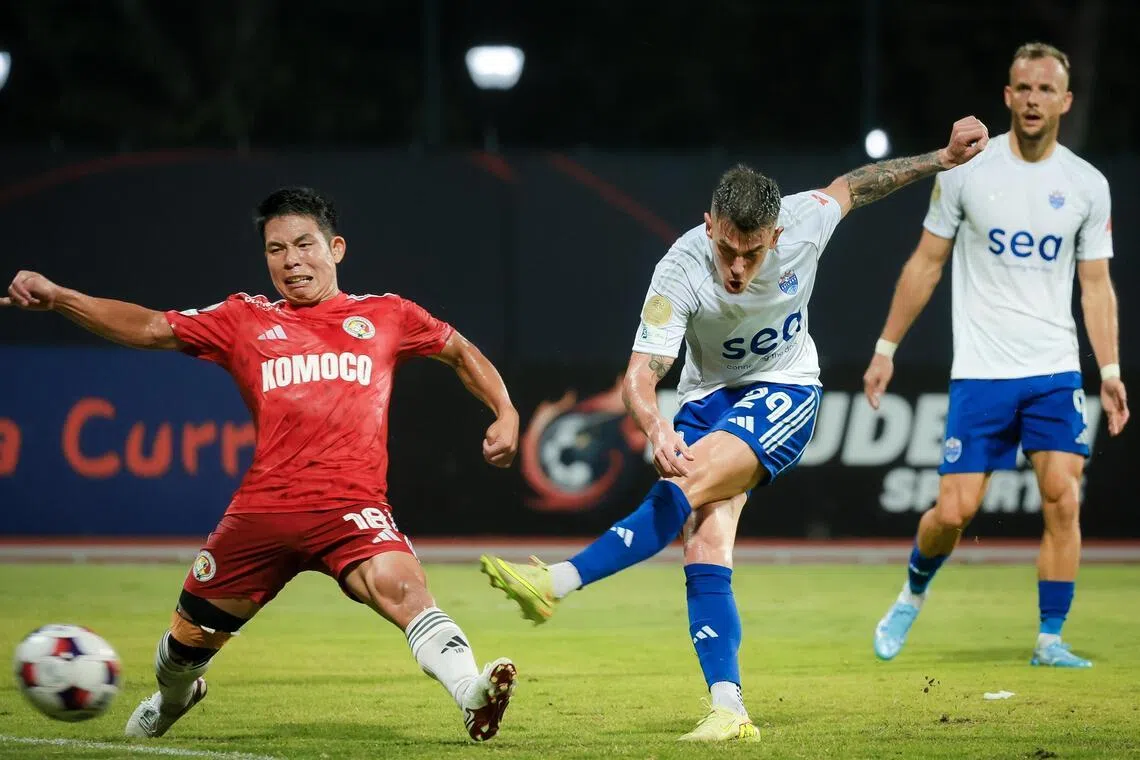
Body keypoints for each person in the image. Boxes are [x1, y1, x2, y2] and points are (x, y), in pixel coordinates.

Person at [479, 116, 990, 742]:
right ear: (708, 225)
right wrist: (654, 422)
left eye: (754, 252)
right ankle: (730, 708)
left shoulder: (806, 221)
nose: (738, 268)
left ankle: (555, 581)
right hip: (704, 397)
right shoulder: (679, 270)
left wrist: (940, 157)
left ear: (778, 233)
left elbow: (856, 184)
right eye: (727, 249)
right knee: (705, 545)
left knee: (689, 484)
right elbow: (640, 374)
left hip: (785, 387)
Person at [1, 187, 521, 742]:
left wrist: (506, 410)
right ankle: (175, 698)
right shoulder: (242, 319)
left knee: (406, 590)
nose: (291, 260)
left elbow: (461, 351)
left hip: (352, 509)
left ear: (336, 248)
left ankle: (472, 692)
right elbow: (151, 326)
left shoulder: (386, 315)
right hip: (262, 515)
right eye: (276, 249)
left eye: (303, 244)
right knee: (182, 650)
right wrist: (60, 298)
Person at [864, 42, 1129, 668]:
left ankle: (1050, 638)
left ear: (1064, 101)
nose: (1033, 99)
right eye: (1022, 88)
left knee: (1063, 495)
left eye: (1045, 90)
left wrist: (1111, 370)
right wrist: (885, 348)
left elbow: (1095, 285)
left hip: (1053, 367)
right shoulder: (967, 173)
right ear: (1007, 96)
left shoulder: (1087, 185)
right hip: (981, 372)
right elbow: (927, 262)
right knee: (953, 511)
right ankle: (912, 591)